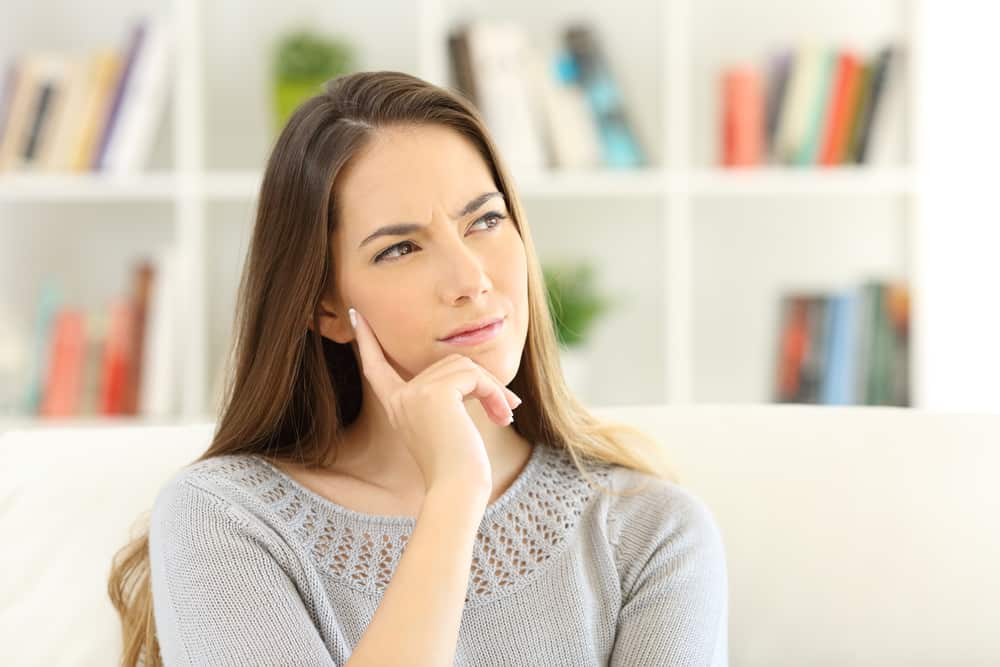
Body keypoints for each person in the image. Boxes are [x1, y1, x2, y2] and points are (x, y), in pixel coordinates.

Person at [107, 70, 728, 666]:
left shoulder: (648, 530)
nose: (470, 280)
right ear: (325, 304)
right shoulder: (226, 518)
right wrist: (455, 495)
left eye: (485, 220)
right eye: (400, 248)